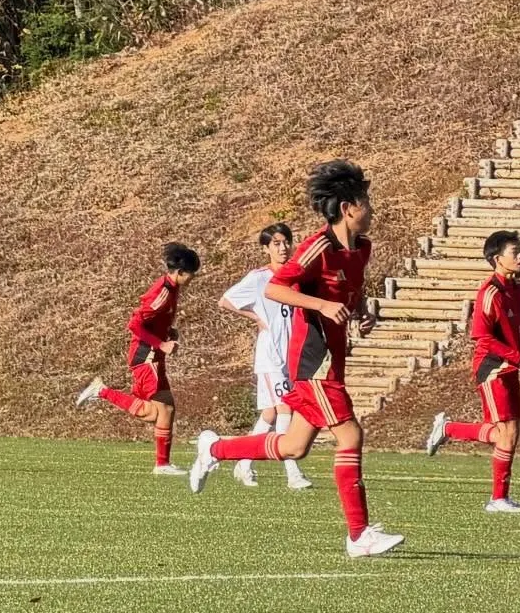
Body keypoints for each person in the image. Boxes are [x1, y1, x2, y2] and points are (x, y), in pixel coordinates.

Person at [188, 160, 403, 559]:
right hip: (312, 360)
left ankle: (214, 450)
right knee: (350, 435)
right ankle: (358, 536)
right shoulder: (315, 248)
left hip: (333, 358)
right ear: (347, 208)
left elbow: (348, 297)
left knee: (293, 446)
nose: (372, 209)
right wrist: (321, 304)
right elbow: (277, 290)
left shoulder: (363, 249)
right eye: (366, 202)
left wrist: (360, 314)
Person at [423, 229, 520, 512]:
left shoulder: (518, 289)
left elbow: (512, 329)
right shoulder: (489, 292)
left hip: (509, 367)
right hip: (492, 368)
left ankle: (447, 428)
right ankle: (497, 499)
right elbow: (484, 338)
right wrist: (517, 356)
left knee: (508, 434)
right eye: (514, 252)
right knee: (505, 433)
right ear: (498, 259)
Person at [76, 243, 200, 475]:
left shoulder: (172, 289)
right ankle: (101, 391)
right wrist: (161, 343)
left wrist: (167, 333)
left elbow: (154, 322)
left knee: (167, 410)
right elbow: (134, 324)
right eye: (192, 275)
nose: (193, 279)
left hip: (154, 355)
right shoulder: (163, 293)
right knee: (154, 412)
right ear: (181, 272)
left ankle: (162, 465)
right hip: (146, 356)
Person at [219, 224, 312, 492]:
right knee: (286, 409)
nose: (283, 248)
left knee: (270, 413)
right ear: (266, 248)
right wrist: (256, 318)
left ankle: (244, 463)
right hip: (272, 355)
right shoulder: (259, 278)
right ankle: (292, 472)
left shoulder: (297, 275)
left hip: (292, 353)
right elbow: (225, 301)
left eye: (286, 242)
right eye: (277, 243)